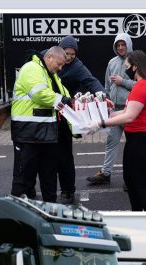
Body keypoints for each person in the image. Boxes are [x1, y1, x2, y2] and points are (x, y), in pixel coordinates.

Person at [87, 50, 146, 211]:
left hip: (142, 141)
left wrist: (101, 123)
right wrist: (109, 114)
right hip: (137, 140)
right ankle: (137, 213)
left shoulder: (142, 86)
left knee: (142, 187)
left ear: (135, 67)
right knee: (131, 181)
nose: (125, 69)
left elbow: (129, 116)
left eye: (127, 66)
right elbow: (127, 111)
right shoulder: (145, 84)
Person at [10, 46, 73, 203]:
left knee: (49, 176)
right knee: (23, 177)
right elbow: (39, 94)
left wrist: (74, 100)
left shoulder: (51, 74)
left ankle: (49, 210)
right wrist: (64, 101)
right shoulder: (31, 67)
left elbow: (64, 94)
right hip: (28, 134)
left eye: (62, 66)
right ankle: (17, 214)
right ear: (49, 57)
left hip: (46, 134)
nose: (60, 68)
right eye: (59, 64)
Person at [53, 35, 108, 203]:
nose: (69, 57)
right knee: (45, 156)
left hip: (64, 115)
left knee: (64, 156)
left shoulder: (77, 67)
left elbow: (91, 81)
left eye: (72, 54)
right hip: (45, 115)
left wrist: (103, 96)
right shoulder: (47, 58)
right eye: (66, 53)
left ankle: (68, 191)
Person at [88, 33, 136, 185]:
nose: (121, 47)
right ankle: (105, 173)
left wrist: (123, 82)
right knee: (111, 142)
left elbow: (143, 85)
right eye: (118, 45)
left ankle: (131, 179)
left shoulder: (136, 61)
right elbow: (107, 85)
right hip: (115, 110)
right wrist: (106, 99)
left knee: (132, 146)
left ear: (128, 44)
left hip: (130, 110)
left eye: (123, 44)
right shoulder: (112, 62)